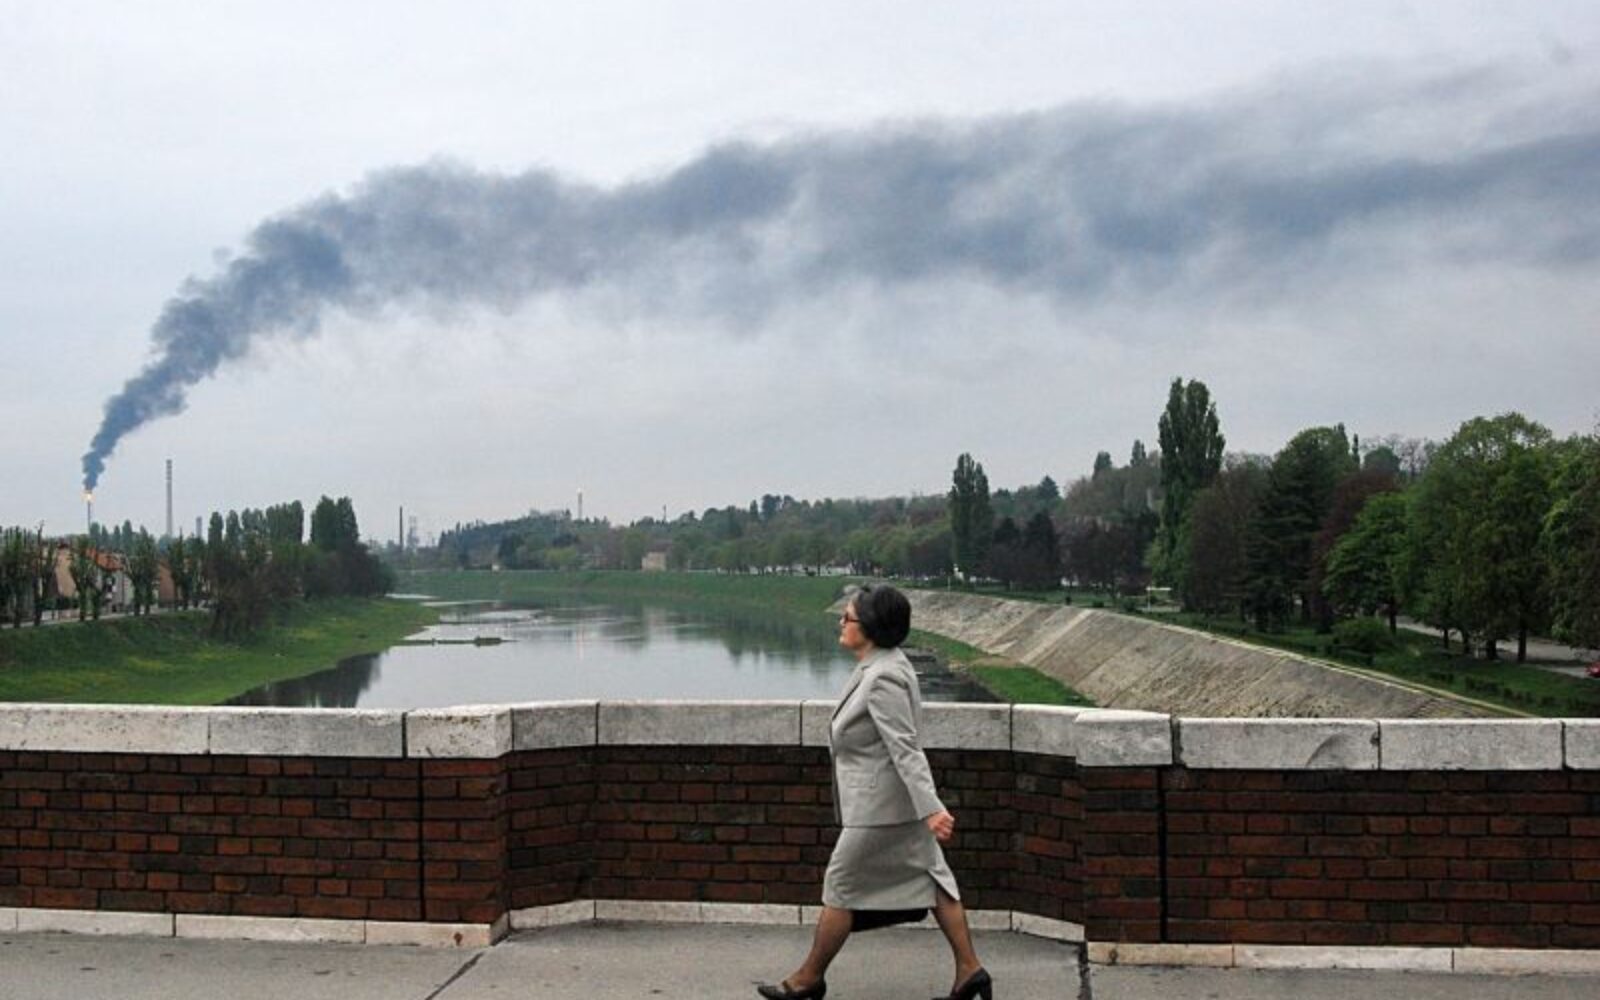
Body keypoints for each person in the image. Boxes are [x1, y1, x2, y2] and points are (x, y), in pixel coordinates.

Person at [758, 583, 991, 1000]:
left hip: (881, 810)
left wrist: (931, 809)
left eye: (847, 617)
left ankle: (808, 979)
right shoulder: (879, 666)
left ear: (869, 626)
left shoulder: (883, 676)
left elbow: (905, 747)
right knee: (936, 881)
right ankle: (970, 971)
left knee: (841, 885)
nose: (840, 622)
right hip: (892, 805)